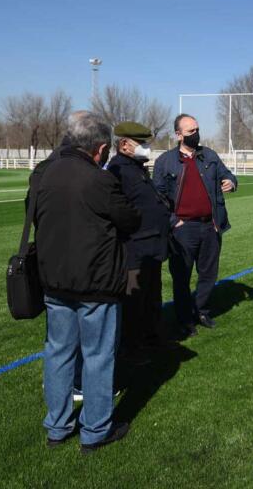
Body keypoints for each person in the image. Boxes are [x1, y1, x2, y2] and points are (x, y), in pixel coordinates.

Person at [34, 111, 141, 453]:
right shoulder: (99, 180)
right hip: (95, 282)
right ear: (99, 149)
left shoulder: (44, 173)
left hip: (53, 279)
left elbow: (32, 213)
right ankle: (95, 430)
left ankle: (57, 426)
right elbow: (130, 219)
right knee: (97, 356)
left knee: (58, 353)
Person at [153, 114, 237, 338]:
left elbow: (227, 173)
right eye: (191, 131)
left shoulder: (208, 155)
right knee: (181, 277)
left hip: (210, 226)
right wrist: (174, 222)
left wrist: (231, 181)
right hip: (183, 229)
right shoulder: (165, 161)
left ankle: (201, 311)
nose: (196, 134)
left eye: (197, 129)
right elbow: (158, 197)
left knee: (208, 274)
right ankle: (184, 319)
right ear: (178, 135)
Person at [108, 122, 172, 363]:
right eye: (142, 143)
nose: (147, 148)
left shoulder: (136, 167)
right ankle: (132, 351)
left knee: (150, 299)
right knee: (134, 305)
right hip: (134, 251)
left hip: (151, 249)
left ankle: (151, 341)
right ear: (124, 145)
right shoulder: (119, 170)